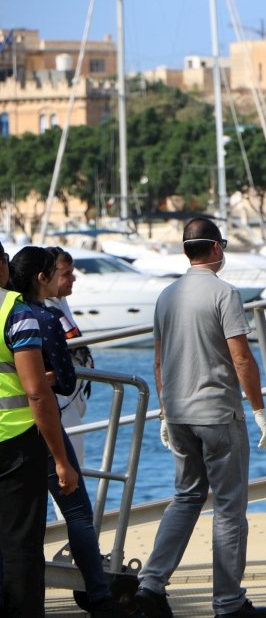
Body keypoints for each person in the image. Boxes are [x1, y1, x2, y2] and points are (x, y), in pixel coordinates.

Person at [135, 218, 266, 618]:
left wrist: (165, 410)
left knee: (185, 497)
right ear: (214, 248)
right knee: (229, 508)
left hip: (178, 413)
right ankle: (228, 603)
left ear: (186, 250)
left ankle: (151, 584)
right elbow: (241, 357)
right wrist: (259, 409)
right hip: (217, 413)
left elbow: (160, 360)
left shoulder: (166, 296)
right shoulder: (225, 294)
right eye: (224, 245)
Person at [6, 246, 121, 616]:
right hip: (32, 434)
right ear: (42, 277)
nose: (69, 279)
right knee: (72, 514)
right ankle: (99, 595)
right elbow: (51, 386)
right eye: (61, 272)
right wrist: (59, 458)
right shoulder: (30, 316)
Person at [0, 241, 79, 616]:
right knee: (21, 545)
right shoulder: (16, 313)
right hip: (15, 443)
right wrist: (61, 460)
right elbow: (36, 392)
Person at [45, 246, 93, 467]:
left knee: (75, 462)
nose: (72, 278)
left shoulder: (59, 301)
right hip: (60, 401)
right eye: (66, 274)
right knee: (71, 467)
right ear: (47, 276)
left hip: (71, 398)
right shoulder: (45, 310)